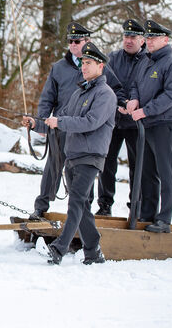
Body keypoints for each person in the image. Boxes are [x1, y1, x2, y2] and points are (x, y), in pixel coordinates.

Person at [23, 42, 117, 265]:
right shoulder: (78, 93)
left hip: (91, 156)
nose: (84, 67)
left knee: (75, 202)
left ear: (100, 66)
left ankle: (59, 248)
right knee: (82, 207)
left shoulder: (105, 94)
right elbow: (57, 122)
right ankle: (93, 251)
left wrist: (61, 121)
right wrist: (36, 124)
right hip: (73, 156)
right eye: (83, 63)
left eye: (89, 63)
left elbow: (90, 122)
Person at [29, 22, 125, 221]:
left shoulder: (98, 66)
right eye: (70, 41)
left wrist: (121, 106)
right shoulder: (59, 68)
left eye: (77, 41)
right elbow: (47, 98)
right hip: (60, 126)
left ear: (87, 41)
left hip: (86, 131)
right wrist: (41, 124)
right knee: (53, 168)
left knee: (82, 173)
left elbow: (116, 90)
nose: (73, 45)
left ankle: (83, 212)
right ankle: (41, 207)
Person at [126, 20, 172, 233]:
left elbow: (171, 95)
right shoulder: (146, 61)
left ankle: (164, 219)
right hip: (147, 124)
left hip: (165, 124)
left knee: (165, 171)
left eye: (153, 38)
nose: (149, 41)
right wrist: (133, 100)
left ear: (165, 40)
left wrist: (145, 110)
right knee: (148, 172)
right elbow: (135, 85)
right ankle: (148, 214)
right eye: (148, 38)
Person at [95, 19, 148, 216]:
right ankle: (105, 204)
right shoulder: (113, 59)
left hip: (136, 122)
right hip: (113, 120)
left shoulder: (148, 60)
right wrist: (118, 104)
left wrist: (133, 105)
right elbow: (105, 84)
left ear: (142, 40)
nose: (129, 40)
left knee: (137, 166)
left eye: (133, 37)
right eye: (126, 36)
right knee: (106, 164)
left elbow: (147, 88)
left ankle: (136, 206)